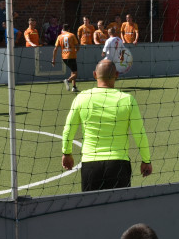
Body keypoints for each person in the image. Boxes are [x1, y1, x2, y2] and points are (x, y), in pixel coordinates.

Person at [61, 59, 151, 191]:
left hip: (91, 166)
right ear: (117, 75)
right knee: (119, 210)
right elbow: (140, 133)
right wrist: (146, 160)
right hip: (119, 165)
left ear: (94, 75)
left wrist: (66, 152)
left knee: (91, 210)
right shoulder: (127, 99)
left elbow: (69, 128)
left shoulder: (82, 98)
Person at [53, 23, 80, 92]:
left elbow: (55, 49)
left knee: (72, 71)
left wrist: (53, 59)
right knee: (75, 74)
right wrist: (76, 50)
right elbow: (77, 45)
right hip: (71, 56)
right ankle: (67, 80)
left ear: (63, 29)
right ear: (69, 29)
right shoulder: (72, 35)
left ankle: (74, 87)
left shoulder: (59, 36)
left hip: (64, 57)